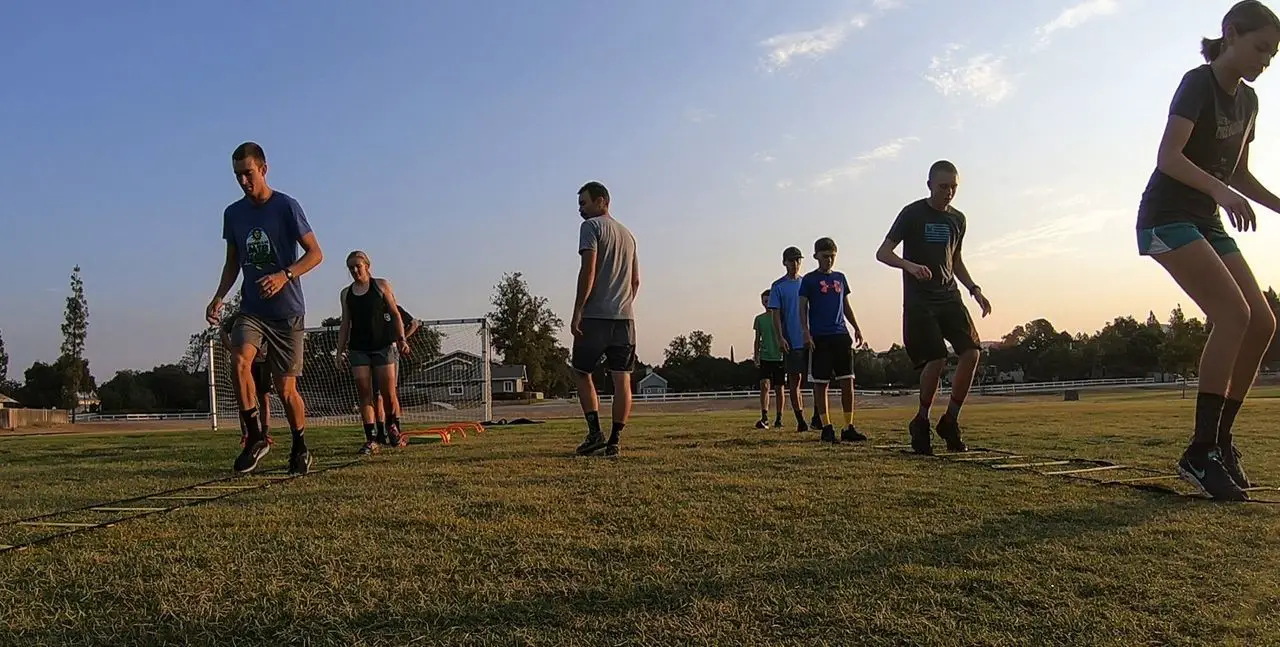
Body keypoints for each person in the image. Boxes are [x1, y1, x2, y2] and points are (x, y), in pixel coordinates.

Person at [1133, 0, 1280, 501]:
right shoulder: (1198, 83)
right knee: (1232, 315)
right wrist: (1219, 192)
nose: (1267, 60)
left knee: (1262, 322)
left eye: (1274, 54)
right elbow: (1168, 157)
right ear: (1231, 34)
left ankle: (1220, 441)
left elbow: (1237, 173)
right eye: (1261, 47)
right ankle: (1199, 453)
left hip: (1205, 219)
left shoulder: (1250, 102)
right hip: (1166, 217)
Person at [206, 142, 323, 475]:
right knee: (239, 360)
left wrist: (285, 275)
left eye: (248, 173)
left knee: (286, 391)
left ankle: (300, 446)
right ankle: (257, 436)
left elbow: (316, 254)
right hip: (252, 309)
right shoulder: (233, 214)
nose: (243, 181)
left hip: (287, 312)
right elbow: (233, 263)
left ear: (263, 169)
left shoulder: (286, 206)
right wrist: (218, 296)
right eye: (237, 175)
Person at [876, 160, 992, 457]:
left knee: (972, 351)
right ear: (929, 185)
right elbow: (883, 253)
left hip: (949, 295)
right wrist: (909, 266)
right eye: (943, 187)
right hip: (920, 300)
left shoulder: (958, 220)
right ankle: (922, 420)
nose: (949, 192)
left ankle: (950, 420)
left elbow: (956, 260)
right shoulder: (912, 213)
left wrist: (974, 289)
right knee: (937, 358)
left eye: (954, 187)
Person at [570, 181, 640, 459]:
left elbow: (588, 270)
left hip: (595, 317)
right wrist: (622, 304)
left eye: (584, 203)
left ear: (602, 201)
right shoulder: (629, 235)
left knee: (580, 372)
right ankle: (615, 441)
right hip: (624, 320)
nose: (580, 209)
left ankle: (595, 432)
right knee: (622, 379)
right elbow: (635, 281)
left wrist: (578, 310)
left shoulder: (591, 228)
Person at [336, 251, 412, 455]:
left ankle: (393, 428)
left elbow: (396, 315)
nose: (354, 270)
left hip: (383, 346)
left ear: (367, 266)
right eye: (350, 267)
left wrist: (402, 339)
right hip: (358, 349)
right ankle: (371, 438)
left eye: (357, 266)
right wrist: (339, 351)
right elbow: (345, 324)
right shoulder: (346, 293)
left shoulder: (381, 285)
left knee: (388, 394)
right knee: (365, 395)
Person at [798, 237, 866, 444]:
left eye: (832, 257)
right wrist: (806, 332)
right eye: (825, 256)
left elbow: (845, 304)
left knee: (848, 381)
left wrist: (856, 326)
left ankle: (849, 426)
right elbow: (803, 308)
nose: (829, 260)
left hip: (840, 334)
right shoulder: (809, 280)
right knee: (821, 383)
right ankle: (826, 426)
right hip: (820, 336)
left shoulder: (840, 277)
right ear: (816, 256)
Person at [768, 246, 813, 432]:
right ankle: (800, 418)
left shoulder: (806, 283)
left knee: (815, 379)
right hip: (792, 339)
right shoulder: (778, 286)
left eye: (797, 260)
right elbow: (775, 315)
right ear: (784, 263)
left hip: (810, 338)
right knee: (794, 380)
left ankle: (819, 417)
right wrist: (780, 338)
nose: (794, 264)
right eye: (791, 261)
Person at [219, 312, 272, 447]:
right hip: (245, 363)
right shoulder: (240, 315)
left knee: (264, 398)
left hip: (263, 362)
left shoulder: (270, 312)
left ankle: (265, 433)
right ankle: (247, 433)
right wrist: (232, 349)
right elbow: (223, 331)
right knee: (245, 398)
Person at [372, 304, 421, 445]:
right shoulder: (370, 307)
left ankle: (395, 429)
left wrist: (402, 339)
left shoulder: (394, 308)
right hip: (373, 350)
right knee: (377, 394)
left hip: (390, 351)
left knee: (390, 391)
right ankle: (380, 431)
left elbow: (413, 323)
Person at [753, 289, 785, 429]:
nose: (766, 304)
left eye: (768, 301)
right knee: (764, 385)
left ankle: (779, 418)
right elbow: (757, 339)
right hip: (765, 356)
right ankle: (764, 416)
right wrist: (756, 355)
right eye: (764, 301)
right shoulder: (759, 319)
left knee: (779, 388)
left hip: (780, 356)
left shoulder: (782, 317)